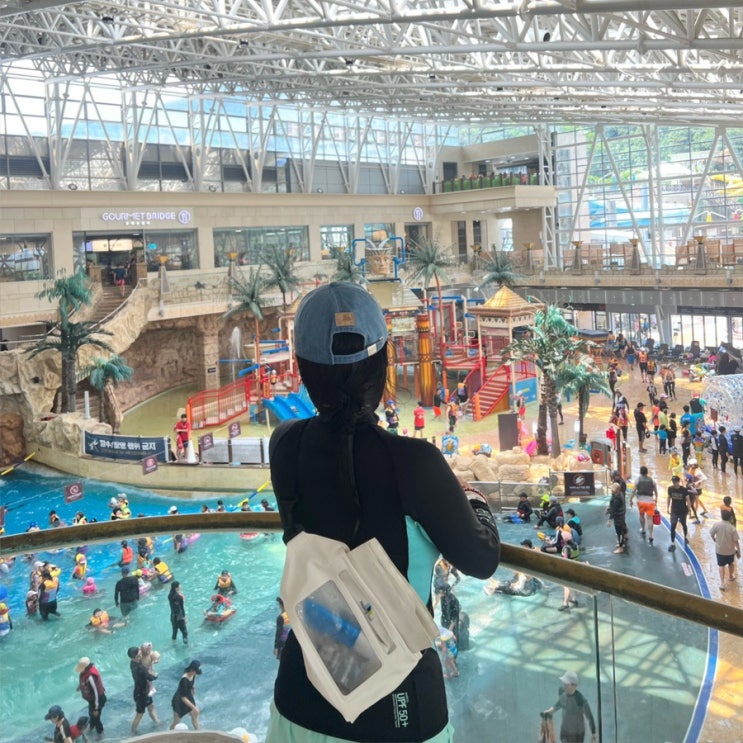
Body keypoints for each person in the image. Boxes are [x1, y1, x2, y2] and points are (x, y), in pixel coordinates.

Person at [266, 282, 500, 743]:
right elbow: (482, 558)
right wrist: (475, 500)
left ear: (304, 369)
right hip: (399, 707)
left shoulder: (284, 444)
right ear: (381, 365)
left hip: (300, 698)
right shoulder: (415, 463)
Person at [542, 670, 597, 743]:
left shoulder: (581, 700)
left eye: (566, 684)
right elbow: (558, 705)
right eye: (564, 683)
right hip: (565, 732)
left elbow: (590, 717)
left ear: (573, 686)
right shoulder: (563, 695)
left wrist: (593, 733)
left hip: (577, 735)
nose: (564, 685)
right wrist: (549, 711)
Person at [129, 646, 159, 735]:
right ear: (134, 658)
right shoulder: (140, 668)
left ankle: (157, 722)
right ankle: (133, 731)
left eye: (140, 653)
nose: (141, 656)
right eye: (139, 655)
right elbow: (150, 677)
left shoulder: (132, 663)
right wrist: (155, 674)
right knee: (140, 713)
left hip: (142, 691)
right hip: (141, 694)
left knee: (151, 706)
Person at [710, 510, 740, 591]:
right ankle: (730, 576)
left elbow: (711, 534)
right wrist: (738, 551)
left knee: (721, 565)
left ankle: (722, 583)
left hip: (719, 550)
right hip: (730, 551)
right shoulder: (732, 528)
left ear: (721, 516)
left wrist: (714, 539)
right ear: (730, 518)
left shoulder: (716, 525)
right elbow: (736, 542)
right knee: (731, 564)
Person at [75, 657, 106, 736]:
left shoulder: (91, 677)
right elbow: (84, 682)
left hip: (98, 699)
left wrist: (96, 708)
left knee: (96, 718)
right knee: (91, 715)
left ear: (85, 668)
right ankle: (91, 728)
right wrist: (80, 687)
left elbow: (96, 693)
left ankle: (101, 734)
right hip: (92, 700)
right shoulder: (85, 673)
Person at [630, 466, 659, 544]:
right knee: (650, 519)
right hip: (650, 502)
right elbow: (656, 492)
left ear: (640, 472)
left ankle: (643, 529)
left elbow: (633, 491)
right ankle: (651, 535)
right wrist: (656, 499)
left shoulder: (637, 480)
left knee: (642, 515)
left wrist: (630, 500)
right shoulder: (652, 481)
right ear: (647, 472)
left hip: (641, 502)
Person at [170, 659, 202, 730]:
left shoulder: (193, 674)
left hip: (188, 696)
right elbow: (183, 697)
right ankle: (169, 733)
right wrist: (194, 707)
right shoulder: (184, 680)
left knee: (194, 715)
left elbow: (190, 683)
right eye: (195, 671)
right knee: (176, 722)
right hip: (179, 701)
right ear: (192, 670)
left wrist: (192, 688)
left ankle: (198, 731)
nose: (196, 673)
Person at [667, 475, 692, 552]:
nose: (674, 483)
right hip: (674, 511)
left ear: (678, 482)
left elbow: (688, 500)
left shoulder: (684, 490)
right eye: (673, 482)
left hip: (683, 511)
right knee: (673, 526)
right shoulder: (670, 489)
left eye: (675, 482)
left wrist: (689, 510)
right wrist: (667, 507)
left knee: (684, 524)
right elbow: (669, 498)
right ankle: (672, 543)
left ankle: (685, 537)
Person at [606, 482, 628, 554]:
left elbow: (614, 510)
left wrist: (609, 520)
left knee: (619, 532)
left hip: (618, 517)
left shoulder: (617, 499)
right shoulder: (620, 494)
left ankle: (620, 548)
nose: (611, 490)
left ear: (616, 490)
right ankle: (622, 543)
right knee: (621, 530)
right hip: (621, 515)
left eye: (613, 489)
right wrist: (609, 508)